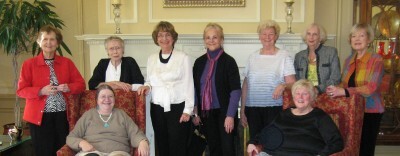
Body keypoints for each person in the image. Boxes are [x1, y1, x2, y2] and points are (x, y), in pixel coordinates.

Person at [17, 25, 86, 156]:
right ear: (39, 42)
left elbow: (81, 84)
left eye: (52, 39)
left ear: (58, 42)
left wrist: (69, 87)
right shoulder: (29, 64)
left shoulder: (67, 63)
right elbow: (21, 90)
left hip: (62, 116)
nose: (49, 43)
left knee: (63, 151)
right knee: (44, 151)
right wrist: (40, 91)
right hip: (39, 117)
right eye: (45, 39)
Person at [137, 21, 194, 156]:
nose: (164, 39)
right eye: (160, 35)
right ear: (156, 38)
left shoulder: (183, 57)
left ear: (173, 37)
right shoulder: (151, 58)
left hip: (178, 108)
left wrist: (188, 110)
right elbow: (150, 81)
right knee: (162, 145)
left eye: (167, 35)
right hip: (157, 108)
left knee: (177, 146)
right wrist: (147, 86)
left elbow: (189, 84)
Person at [327, 23, 384, 156]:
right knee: (352, 147)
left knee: (365, 148)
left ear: (369, 39)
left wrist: (345, 91)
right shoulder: (349, 60)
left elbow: (371, 88)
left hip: (370, 110)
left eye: (361, 35)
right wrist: (335, 88)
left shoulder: (377, 60)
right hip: (352, 110)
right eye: (354, 36)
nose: (357, 39)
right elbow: (344, 83)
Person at [247, 79, 344, 156]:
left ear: (312, 97)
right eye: (297, 93)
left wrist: (321, 154)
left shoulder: (319, 116)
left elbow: (336, 142)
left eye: (305, 94)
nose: (300, 97)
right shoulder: (284, 114)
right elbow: (266, 133)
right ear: (293, 96)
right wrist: (252, 142)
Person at [240, 20, 296, 139]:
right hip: (252, 109)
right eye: (264, 34)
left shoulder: (284, 56)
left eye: (271, 34)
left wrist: (283, 86)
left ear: (276, 36)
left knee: (272, 143)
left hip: (274, 109)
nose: (267, 37)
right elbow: (246, 84)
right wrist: (242, 109)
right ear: (259, 36)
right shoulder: (252, 57)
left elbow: (293, 84)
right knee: (255, 143)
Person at [192, 23, 241, 156]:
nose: (211, 40)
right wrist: (195, 112)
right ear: (204, 40)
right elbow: (195, 88)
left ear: (221, 39)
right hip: (206, 114)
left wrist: (230, 115)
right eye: (208, 37)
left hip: (225, 113)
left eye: (215, 37)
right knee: (213, 149)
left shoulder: (229, 62)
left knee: (227, 149)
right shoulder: (199, 62)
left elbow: (236, 91)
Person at [66, 84, 149, 156]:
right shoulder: (88, 115)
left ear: (114, 99)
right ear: (97, 100)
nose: (107, 99)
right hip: (92, 152)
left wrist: (142, 141)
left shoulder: (121, 114)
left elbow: (135, 133)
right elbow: (71, 137)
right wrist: (81, 143)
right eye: (103, 96)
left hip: (118, 152)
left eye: (110, 96)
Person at [294, 23, 341, 94]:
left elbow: (335, 78)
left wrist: (318, 89)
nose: (311, 37)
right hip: (305, 94)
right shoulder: (299, 56)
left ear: (320, 37)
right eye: (308, 34)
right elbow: (296, 80)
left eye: (315, 34)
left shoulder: (331, 52)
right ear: (305, 37)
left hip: (325, 93)